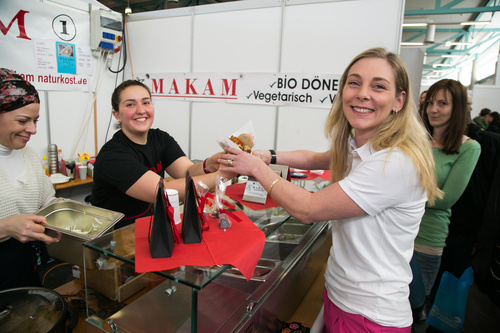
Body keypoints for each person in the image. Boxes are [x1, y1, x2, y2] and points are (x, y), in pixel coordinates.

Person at [219, 48, 441, 331]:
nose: (362, 93)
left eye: (378, 86)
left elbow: (308, 209)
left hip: (369, 315)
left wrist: (255, 168)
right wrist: (268, 156)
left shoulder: (393, 163)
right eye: (354, 82)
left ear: (399, 101)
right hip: (341, 296)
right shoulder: (361, 146)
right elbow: (315, 158)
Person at [90, 80, 235, 228]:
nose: (141, 110)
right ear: (117, 115)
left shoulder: (160, 138)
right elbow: (162, 191)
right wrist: (221, 176)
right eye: (130, 104)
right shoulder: (113, 155)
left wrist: (209, 164)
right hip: (114, 233)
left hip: (147, 223)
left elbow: (186, 172)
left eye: (146, 102)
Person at [412, 79, 481, 322]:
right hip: (395, 234)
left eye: (442, 103)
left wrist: (399, 194)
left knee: (413, 309)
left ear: (458, 108)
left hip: (426, 240)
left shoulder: (468, 148)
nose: (433, 109)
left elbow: (446, 199)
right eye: (430, 102)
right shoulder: (416, 141)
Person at [0, 68, 61, 291]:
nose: (33, 130)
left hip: (24, 269)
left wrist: (69, 215)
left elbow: (47, 202)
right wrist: (5, 227)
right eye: (23, 120)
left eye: (35, 120)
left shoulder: (29, 155)